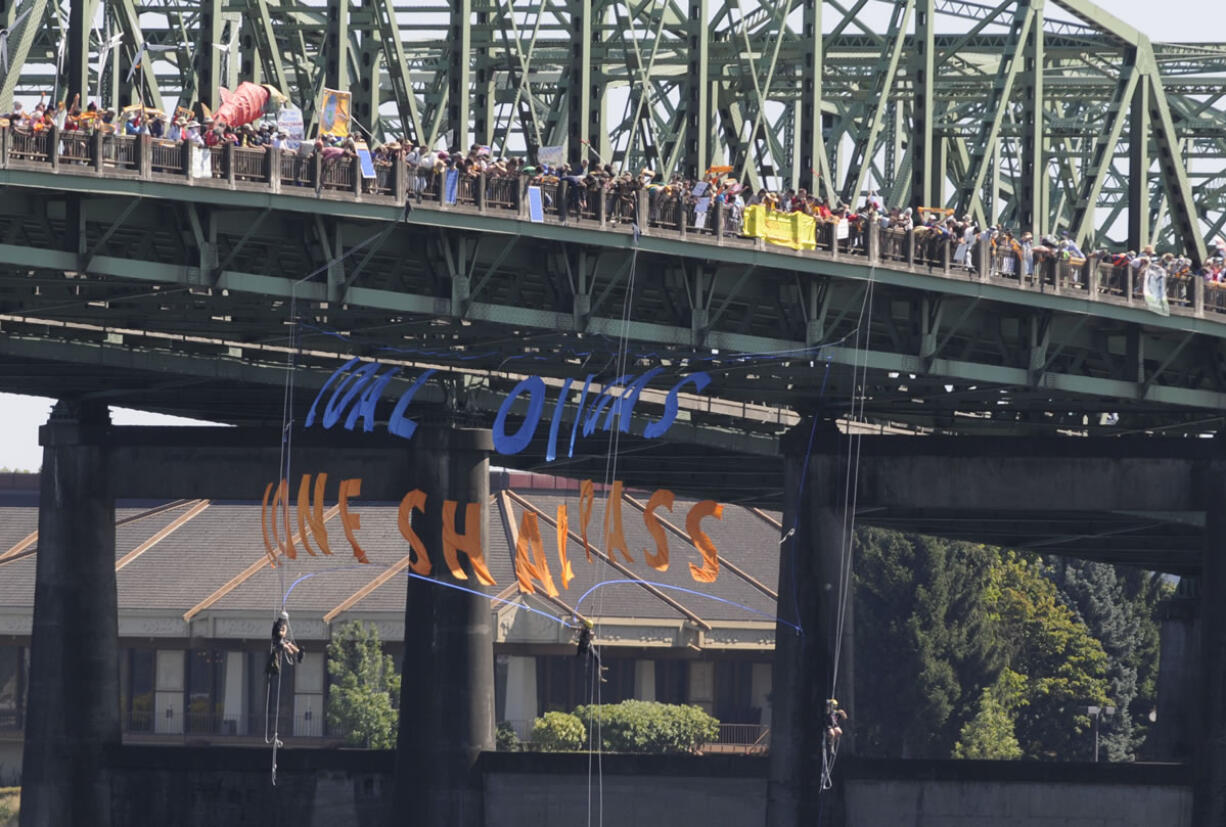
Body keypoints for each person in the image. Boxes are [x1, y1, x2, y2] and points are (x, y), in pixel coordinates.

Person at [266, 611, 303, 676]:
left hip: (280, 641)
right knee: (287, 647)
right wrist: (285, 629)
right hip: (277, 644)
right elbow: (281, 634)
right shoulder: (278, 625)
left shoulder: (280, 624)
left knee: (289, 644)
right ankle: (294, 657)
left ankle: (299, 653)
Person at [575, 618, 607, 682]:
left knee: (597, 657)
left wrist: (578, 653)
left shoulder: (584, 631)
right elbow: (586, 634)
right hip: (587, 649)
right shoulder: (586, 631)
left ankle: (600, 667)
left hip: (585, 648)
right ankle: (599, 676)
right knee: (597, 658)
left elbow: (584, 631)